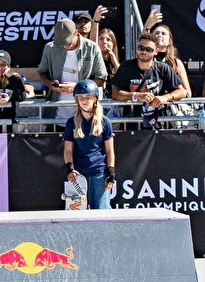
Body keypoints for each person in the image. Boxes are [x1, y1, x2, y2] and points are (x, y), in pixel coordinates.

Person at [37, 17, 106, 124]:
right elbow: (42, 72)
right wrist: (50, 83)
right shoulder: (50, 48)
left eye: (67, 42)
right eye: (61, 42)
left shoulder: (92, 48)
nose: (64, 45)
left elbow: (101, 79)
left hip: (86, 115)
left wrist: (77, 87)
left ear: (76, 32)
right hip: (56, 114)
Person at [110, 31, 186, 129]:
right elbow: (115, 93)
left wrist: (165, 97)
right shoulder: (126, 67)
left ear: (156, 51)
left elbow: (182, 91)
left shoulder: (163, 68)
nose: (144, 52)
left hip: (158, 123)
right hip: (131, 124)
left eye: (149, 49)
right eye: (141, 48)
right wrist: (136, 95)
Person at [63, 80, 115, 210]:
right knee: (77, 213)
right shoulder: (71, 123)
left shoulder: (104, 122)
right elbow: (68, 150)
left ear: (95, 99)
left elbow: (109, 150)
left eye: (87, 97)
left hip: (99, 172)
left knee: (101, 212)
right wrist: (70, 168)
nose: (84, 100)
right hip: (79, 175)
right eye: (80, 97)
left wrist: (111, 171)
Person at [151, 24, 192, 100]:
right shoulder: (146, 60)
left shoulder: (176, 63)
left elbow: (187, 92)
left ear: (169, 40)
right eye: (156, 33)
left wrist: (168, 96)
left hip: (171, 107)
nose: (160, 35)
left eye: (163, 33)